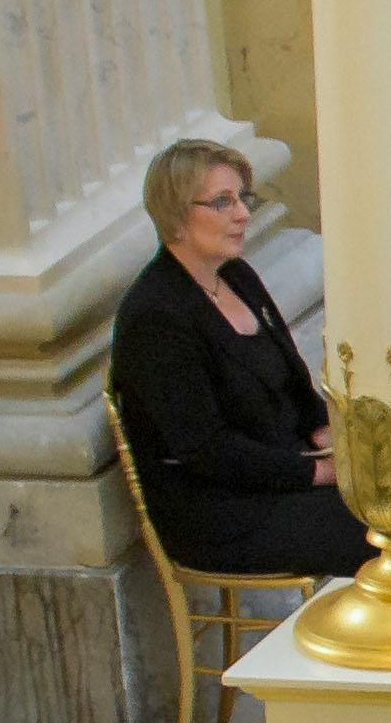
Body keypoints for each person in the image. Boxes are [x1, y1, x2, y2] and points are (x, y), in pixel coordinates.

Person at [104, 138, 366, 578]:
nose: (243, 214)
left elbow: (295, 385)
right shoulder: (155, 317)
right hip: (220, 513)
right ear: (177, 216)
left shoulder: (237, 276)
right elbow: (207, 451)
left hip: (285, 475)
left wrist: (331, 437)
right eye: (222, 202)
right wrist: (321, 474)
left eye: (242, 198)